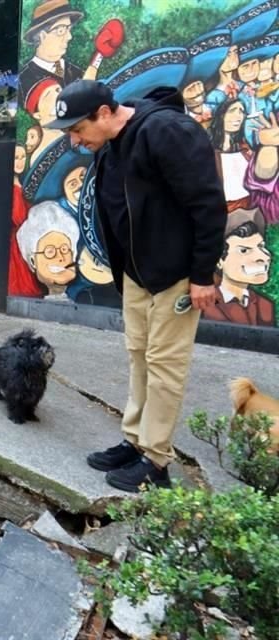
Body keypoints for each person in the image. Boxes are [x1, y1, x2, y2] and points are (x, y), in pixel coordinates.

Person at [48, 80, 226, 492]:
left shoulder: (166, 132)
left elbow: (207, 204)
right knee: (139, 356)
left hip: (176, 273)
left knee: (165, 364)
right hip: (137, 272)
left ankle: (156, 460)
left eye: (77, 129)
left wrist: (202, 274)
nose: (75, 140)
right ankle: (136, 441)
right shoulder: (110, 144)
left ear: (105, 113)